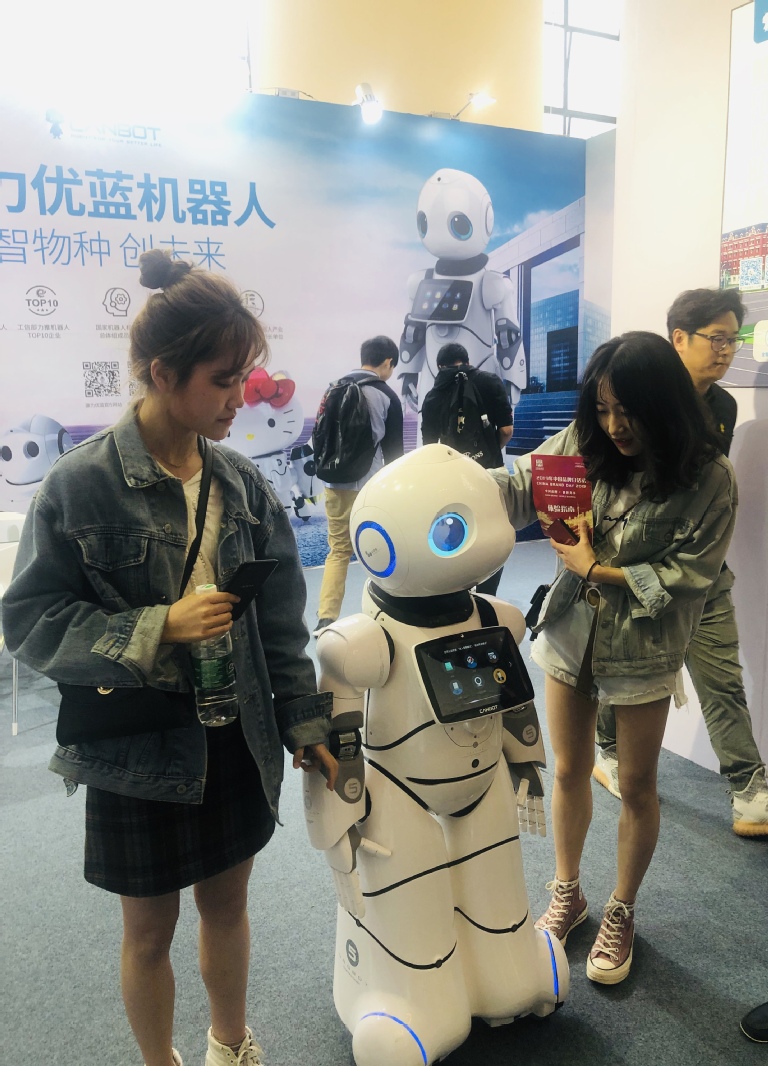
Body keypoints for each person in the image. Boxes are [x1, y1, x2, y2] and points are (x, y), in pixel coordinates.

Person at [1, 249, 338, 1066]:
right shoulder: (81, 485)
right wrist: (157, 627)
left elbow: (281, 624)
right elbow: (29, 620)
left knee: (228, 906)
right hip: (137, 748)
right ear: (162, 373)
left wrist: (303, 720)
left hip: (236, 734)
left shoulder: (243, 484)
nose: (240, 397)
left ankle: (231, 1044)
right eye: (223, 380)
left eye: (245, 377)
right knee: (148, 931)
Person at [494, 332, 737, 984]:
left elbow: (690, 577)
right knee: (568, 769)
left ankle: (621, 908)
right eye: (602, 409)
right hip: (570, 631)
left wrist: (597, 569)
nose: (613, 426)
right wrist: (451, 480)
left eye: (627, 411)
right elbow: (520, 482)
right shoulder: (582, 442)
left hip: (643, 647)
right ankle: (567, 892)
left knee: (635, 786)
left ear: (663, 405)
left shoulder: (710, 477)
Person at [593, 289, 768, 838]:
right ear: (678, 338)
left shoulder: (724, 408)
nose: (726, 350)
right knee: (622, 669)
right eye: (717, 338)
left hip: (697, 569)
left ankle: (749, 791)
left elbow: (704, 492)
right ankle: (607, 750)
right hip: (630, 565)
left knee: (722, 678)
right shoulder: (637, 395)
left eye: (733, 339)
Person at [313, 335, 403, 636]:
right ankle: (387, 614)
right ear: (388, 362)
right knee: (381, 549)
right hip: (371, 488)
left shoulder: (334, 388)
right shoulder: (386, 395)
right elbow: (394, 455)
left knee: (339, 551)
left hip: (334, 482)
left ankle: (326, 619)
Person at [421, 342, 513, 595]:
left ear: (440, 367)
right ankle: (487, 596)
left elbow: (429, 447)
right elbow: (506, 430)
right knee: (493, 533)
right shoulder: (490, 382)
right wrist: (490, 450)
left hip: (452, 479)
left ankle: (458, 594)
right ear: (467, 360)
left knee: (456, 533)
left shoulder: (433, 395)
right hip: (490, 472)